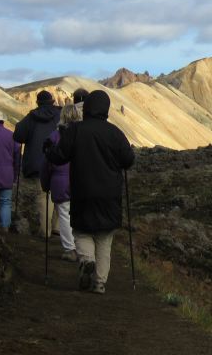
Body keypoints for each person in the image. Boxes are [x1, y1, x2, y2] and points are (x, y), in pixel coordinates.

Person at [45, 90, 135, 294]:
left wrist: (48, 150)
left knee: (82, 231)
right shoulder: (115, 133)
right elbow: (128, 160)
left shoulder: (75, 131)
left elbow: (59, 157)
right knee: (104, 237)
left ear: (86, 108)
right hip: (110, 194)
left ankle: (86, 260)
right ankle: (99, 282)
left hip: (82, 191)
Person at [14, 90, 61, 238]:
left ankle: (45, 231)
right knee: (60, 194)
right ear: (52, 102)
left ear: (38, 103)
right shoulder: (59, 115)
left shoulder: (31, 117)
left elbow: (18, 135)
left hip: (37, 162)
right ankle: (58, 227)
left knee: (43, 196)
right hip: (59, 159)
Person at [40, 104, 82, 262]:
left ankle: (70, 249)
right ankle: (83, 248)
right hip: (81, 180)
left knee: (64, 214)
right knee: (78, 214)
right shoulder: (83, 135)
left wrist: (45, 183)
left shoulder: (54, 136)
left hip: (60, 181)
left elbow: (47, 162)